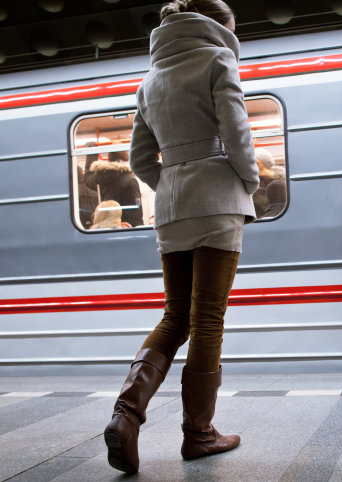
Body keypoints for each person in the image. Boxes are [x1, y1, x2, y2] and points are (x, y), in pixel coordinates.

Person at [103, 0, 259, 474]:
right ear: (220, 27)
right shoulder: (218, 59)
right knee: (207, 319)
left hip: (171, 207)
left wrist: (172, 188)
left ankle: (125, 416)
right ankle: (199, 434)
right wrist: (246, 182)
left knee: (176, 315)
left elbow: (141, 159)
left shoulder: (150, 78)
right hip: (217, 198)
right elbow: (236, 131)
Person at [86, 150, 144, 227]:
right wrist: (138, 228)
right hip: (127, 226)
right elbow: (137, 210)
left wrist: (91, 149)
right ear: (125, 160)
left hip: (106, 225)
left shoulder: (100, 177)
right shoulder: (129, 179)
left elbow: (87, 179)